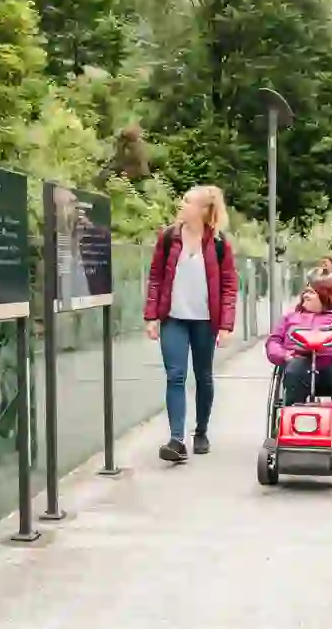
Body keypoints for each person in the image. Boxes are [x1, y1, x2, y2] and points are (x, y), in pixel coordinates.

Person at [144, 185, 238, 462]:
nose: (181, 205)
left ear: (203, 210)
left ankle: (202, 431)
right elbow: (156, 278)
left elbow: (230, 285)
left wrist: (225, 325)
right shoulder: (168, 237)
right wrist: (151, 316)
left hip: (205, 321)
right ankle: (176, 440)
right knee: (175, 376)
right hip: (173, 318)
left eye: (187, 201)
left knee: (203, 376)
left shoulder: (220, 243)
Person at [265, 276, 332, 427]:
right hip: (300, 359)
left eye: (311, 292)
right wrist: (283, 355)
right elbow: (274, 341)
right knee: (294, 371)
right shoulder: (290, 318)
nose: (305, 295)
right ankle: (291, 420)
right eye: (305, 292)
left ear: (325, 296)